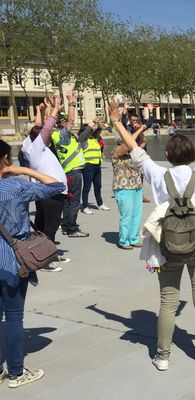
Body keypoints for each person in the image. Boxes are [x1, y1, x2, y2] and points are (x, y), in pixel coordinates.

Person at [109, 94, 195, 371]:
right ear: (193, 154)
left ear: (168, 155)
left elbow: (135, 150)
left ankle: (163, 356)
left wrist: (116, 123)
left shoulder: (158, 174)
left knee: (167, 301)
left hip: (165, 247)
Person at [0, 139, 66, 388]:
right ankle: (16, 372)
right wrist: (24, 171)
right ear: (7, 159)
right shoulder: (15, 185)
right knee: (14, 317)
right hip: (12, 260)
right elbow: (57, 185)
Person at [20, 97, 69, 272]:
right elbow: (45, 128)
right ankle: (45, 260)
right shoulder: (36, 149)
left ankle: (48, 254)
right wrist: (54, 110)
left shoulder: (30, 145)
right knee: (50, 226)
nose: (49, 136)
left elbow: (38, 127)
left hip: (47, 193)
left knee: (42, 225)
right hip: (50, 193)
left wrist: (41, 110)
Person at [50, 92, 88, 238]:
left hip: (68, 172)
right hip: (74, 171)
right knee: (74, 202)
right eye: (64, 121)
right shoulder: (63, 135)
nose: (67, 123)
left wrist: (53, 107)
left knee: (68, 200)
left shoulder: (55, 134)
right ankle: (72, 228)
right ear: (60, 123)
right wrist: (72, 103)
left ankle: (66, 226)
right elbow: (72, 120)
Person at [111, 106, 147, 250]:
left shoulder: (134, 153)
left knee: (136, 214)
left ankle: (133, 238)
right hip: (123, 187)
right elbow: (127, 145)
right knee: (127, 215)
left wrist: (141, 130)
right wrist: (138, 130)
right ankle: (124, 240)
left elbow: (143, 142)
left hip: (136, 186)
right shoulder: (117, 151)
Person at [81, 117, 110, 215]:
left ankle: (100, 203)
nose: (91, 131)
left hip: (97, 165)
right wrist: (92, 122)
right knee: (87, 187)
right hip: (88, 166)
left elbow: (100, 129)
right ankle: (85, 206)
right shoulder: (82, 139)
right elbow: (86, 133)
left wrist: (98, 123)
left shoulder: (93, 138)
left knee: (98, 186)